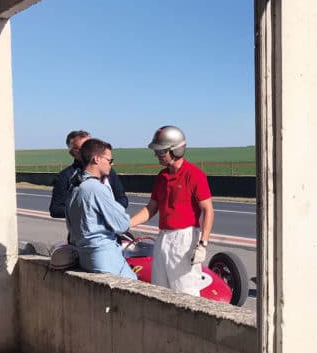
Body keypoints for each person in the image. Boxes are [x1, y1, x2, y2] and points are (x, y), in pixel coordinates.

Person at [130, 125, 214, 296]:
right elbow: (151, 208)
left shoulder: (194, 175)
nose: (157, 155)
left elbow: (208, 210)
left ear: (175, 150)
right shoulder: (161, 177)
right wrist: (127, 223)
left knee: (185, 292)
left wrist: (202, 244)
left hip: (185, 239)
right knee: (159, 290)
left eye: (161, 152)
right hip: (163, 238)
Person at [65, 138, 137, 280]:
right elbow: (122, 224)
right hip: (105, 258)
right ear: (96, 159)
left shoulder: (75, 186)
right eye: (109, 160)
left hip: (85, 256)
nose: (112, 164)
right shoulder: (96, 188)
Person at [50, 130, 128, 218]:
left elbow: (122, 199)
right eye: (84, 148)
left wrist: (109, 212)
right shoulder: (65, 176)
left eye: (92, 146)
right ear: (73, 153)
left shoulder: (107, 171)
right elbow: (55, 210)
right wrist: (88, 212)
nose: (91, 151)